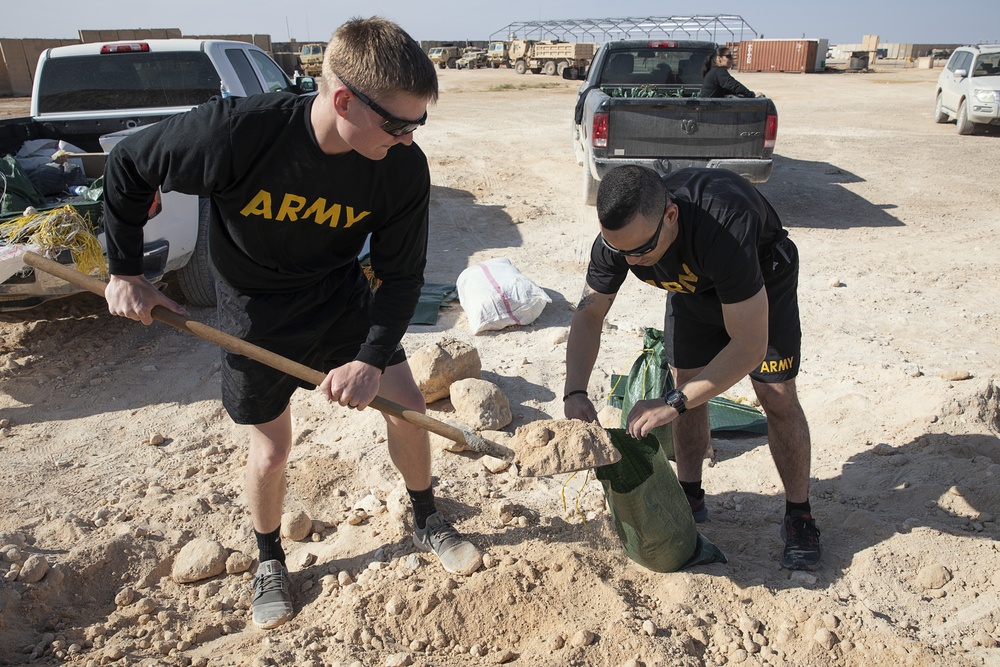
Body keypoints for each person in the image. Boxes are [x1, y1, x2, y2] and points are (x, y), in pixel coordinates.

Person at [101, 17, 482, 629]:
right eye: (397, 124)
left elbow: (402, 277)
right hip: (252, 313)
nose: (409, 138)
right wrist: (125, 271)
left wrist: (369, 357)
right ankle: (270, 557)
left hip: (337, 297)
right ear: (342, 100)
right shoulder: (237, 134)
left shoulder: (400, 167)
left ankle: (426, 516)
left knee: (407, 404)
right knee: (273, 447)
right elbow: (127, 165)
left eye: (419, 123)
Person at [563, 165, 821, 571]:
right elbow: (589, 314)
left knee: (776, 395)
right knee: (687, 379)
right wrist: (574, 390)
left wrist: (672, 402)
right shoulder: (624, 239)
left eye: (641, 251)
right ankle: (689, 494)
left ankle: (799, 514)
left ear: (670, 216)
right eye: (620, 251)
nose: (631, 261)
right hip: (690, 287)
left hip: (761, 278)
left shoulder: (725, 226)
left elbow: (750, 345)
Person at [700, 46, 765, 99]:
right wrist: (752, 95)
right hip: (709, 109)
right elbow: (733, 85)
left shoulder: (715, 71)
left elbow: (730, 89)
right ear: (719, 58)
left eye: (732, 56)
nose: (731, 59)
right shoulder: (718, 71)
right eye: (728, 56)